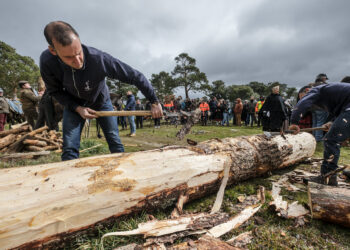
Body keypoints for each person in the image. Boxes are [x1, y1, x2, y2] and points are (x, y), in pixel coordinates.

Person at [40, 21, 162, 161]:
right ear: (53, 50)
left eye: (79, 52)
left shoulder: (99, 59)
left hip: (101, 101)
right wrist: (77, 108)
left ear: (79, 40)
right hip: (74, 105)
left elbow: (135, 76)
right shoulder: (47, 62)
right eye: (69, 57)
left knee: (114, 140)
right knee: (69, 148)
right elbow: (54, 91)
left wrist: (154, 101)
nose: (78, 61)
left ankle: (124, 177)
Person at [289, 81, 350, 186]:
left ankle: (327, 176)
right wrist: (331, 122)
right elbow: (339, 110)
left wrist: (294, 122)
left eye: (301, 96)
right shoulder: (333, 92)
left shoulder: (315, 90)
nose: (302, 99)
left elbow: (303, 104)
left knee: (331, 140)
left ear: (307, 91)